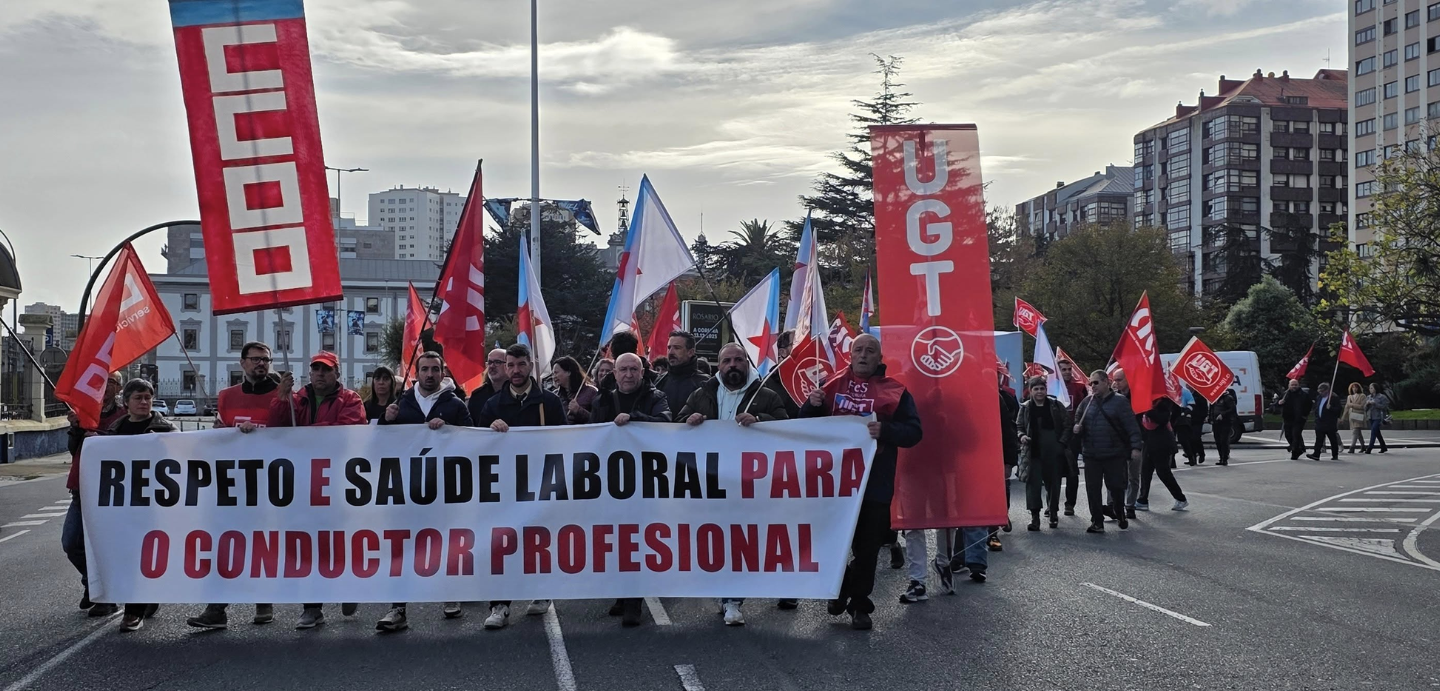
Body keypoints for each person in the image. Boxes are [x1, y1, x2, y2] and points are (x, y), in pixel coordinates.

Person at [800, 334, 921, 630]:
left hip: (874, 485)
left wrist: (887, 430)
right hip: (834, 485)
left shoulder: (895, 392)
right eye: (858, 350)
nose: (864, 355)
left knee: (867, 549)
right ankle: (841, 587)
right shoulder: (830, 386)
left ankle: (860, 604)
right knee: (834, 544)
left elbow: (914, 433)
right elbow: (802, 426)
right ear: (850, 355)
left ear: (880, 359)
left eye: (870, 351)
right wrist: (811, 405)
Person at [679, 342, 790, 626]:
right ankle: (724, 591)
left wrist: (760, 420)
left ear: (747, 363)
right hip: (710, 482)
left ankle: (733, 599)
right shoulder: (701, 394)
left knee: (739, 539)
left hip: (748, 484)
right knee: (715, 538)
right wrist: (688, 421)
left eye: (738, 360)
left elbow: (786, 427)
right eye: (726, 360)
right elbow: (676, 424)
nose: (732, 365)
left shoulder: (765, 395)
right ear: (718, 365)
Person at [186, 342, 283, 630]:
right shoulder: (226, 396)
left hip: (269, 484)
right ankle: (217, 609)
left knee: (261, 544)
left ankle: (263, 600)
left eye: (265, 359)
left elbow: (292, 435)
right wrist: (222, 435)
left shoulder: (282, 396)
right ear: (242, 363)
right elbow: (220, 433)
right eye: (255, 359)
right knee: (225, 544)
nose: (261, 364)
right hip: (230, 484)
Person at [375, 352, 474, 632]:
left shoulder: (455, 405)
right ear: (416, 372)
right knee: (402, 546)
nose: (430, 374)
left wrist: (450, 430)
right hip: (405, 488)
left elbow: (473, 439)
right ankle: (398, 608)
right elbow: (377, 443)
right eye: (425, 369)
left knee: (446, 541)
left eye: (435, 369)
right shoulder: (402, 403)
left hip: (443, 488)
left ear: (443, 373)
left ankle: (450, 595)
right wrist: (386, 420)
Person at [267, 351, 366, 629]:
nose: (320, 374)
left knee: (340, 541)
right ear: (309, 373)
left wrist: (308, 432)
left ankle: (348, 586)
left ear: (337, 374)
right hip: (304, 484)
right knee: (309, 544)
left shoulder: (350, 399)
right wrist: (280, 398)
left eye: (326, 369)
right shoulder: (296, 398)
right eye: (316, 369)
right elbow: (276, 428)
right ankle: (312, 607)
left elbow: (350, 430)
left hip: (340, 482)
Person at [477, 343, 567, 629]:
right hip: (503, 487)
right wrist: (490, 431)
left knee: (537, 540)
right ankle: (499, 604)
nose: (515, 371)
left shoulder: (549, 403)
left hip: (539, 485)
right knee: (501, 543)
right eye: (510, 365)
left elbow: (565, 441)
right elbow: (476, 444)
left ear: (531, 365)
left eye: (521, 365)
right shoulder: (492, 405)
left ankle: (541, 590)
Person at [589, 353, 673, 627]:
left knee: (636, 539)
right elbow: (590, 434)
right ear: (614, 373)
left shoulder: (656, 396)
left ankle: (633, 602)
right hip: (610, 481)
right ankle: (622, 594)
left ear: (642, 371)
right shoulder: (602, 400)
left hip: (645, 481)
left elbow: (665, 423)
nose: (628, 374)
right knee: (614, 539)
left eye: (633, 369)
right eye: (623, 369)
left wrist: (635, 418)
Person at [109, 378, 176, 632]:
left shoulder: (165, 428)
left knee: (146, 554)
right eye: (138, 398)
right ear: (126, 402)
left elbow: (183, 457)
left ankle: (133, 611)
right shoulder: (115, 429)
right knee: (127, 554)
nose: (144, 402)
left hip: (156, 505)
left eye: (148, 397)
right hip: (124, 504)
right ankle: (140, 598)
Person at [63, 372, 126, 618]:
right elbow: (73, 450)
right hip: (83, 487)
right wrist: (76, 429)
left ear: (118, 387)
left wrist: (104, 439)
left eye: (109, 381)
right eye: (99, 381)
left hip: (114, 492)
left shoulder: (124, 414)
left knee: (106, 546)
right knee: (71, 543)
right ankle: (92, 583)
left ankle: (107, 597)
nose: (103, 386)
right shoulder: (84, 412)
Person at [1073, 370, 1140, 534]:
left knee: (1116, 487)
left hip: (1114, 454)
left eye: (1096, 382)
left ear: (1106, 382)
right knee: (1093, 489)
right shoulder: (1087, 402)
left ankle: (1119, 512)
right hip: (1091, 455)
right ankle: (1097, 521)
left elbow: (1131, 426)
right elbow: (1077, 420)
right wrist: (1076, 429)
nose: (1092, 386)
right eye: (1091, 383)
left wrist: (1136, 448)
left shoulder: (1120, 402)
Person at [1017, 377, 1071, 530]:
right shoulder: (1026, 407)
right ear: (1031, 391)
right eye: (1036, 389)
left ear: (1046, 390)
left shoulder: (1056, 405)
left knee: (1053, 483)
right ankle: (1035, 517)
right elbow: (1019, 426)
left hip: (1054, 452)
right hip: (1033, 452)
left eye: (1042, 389)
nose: (1039, 392)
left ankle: (1053, 513)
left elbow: (1068, 425)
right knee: (1032, 485)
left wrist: (1062, 443)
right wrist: (1022, 436)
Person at [1135, 394, 1188, 512]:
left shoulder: (1165, 401)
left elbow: (1163, 418)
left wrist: (1146, 408)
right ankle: (1142, 500)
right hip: (1149, 441)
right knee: (1145, 471)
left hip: (1162, 442)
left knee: (1163, 472)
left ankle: (1181, 498)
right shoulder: (1146, 399)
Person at [991, 371, 1021, 549]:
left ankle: (1000, 518)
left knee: (1000, 491)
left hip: (998, 454)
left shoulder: (1004, 399)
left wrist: (1009, 461)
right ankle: (990, 531)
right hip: (975, 457)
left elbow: (1009, 432)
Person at [655, 330, 711, 419]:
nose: (671, 352)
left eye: (677, 348)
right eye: (669, 348)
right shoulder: (659, 380)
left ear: (690, 352)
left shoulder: (705, 382)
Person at [1056, 359, 1087, 514]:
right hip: (1055, 436)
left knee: (1072, 471)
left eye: (1069, 369)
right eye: (1064, 369)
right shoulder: (1050, 386)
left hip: (1073, 437)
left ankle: (1070, 504)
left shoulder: (1079, 388)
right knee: (1053, 471)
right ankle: (1051, 504)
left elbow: (1084, 410)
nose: (1067, 372)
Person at [761, 330, 800, 418]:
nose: (803, 346)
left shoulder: (815, 378)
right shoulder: (767, 383)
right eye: (797, 342)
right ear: (782, 352)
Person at [551, 356, 599, 425]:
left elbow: (598, 419)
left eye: (556, 372)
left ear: (568, 372)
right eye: (553, 374)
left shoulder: (591, 392)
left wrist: (578, 410)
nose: (554, 376)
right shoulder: (554, 396)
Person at [466, 348, 510, 424]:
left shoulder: (517, 394)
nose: (492, 366)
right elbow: (470, 427)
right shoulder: (477, 396)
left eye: (497, 362)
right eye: (490, 362)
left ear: (508, 365)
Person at [1278, 379, 1312, 460]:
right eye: (1292, 385)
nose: (1294, 386)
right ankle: (1298, 448)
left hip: (1298, 419)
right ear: (1289, 386)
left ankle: (1294, 452)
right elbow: (1277, 404)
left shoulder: (1303, 395)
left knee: (1295, 435)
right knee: (1288, 435)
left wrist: (1304, 415)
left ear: (1298, 385)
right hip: (1287, 418)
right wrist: (1279, 403)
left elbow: (1309, 405)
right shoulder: (1285, 394)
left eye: (1295, 385)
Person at [1306, 382, 1342, 461]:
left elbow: (1338, 410)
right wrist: (1316, 417)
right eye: (1319, 391)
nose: (1321, 393)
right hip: (1320, 422)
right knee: (1319, 439)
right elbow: (1317, 407)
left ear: (1327, 390)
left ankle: (1335, 454)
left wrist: (1331, 408)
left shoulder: (1333, 398)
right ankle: (1316, 454)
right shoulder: (1319, 397)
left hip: (1330, 422)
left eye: (1322, 391)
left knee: (1332, 439)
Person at [1209, 388, 1237, 465]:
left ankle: (1225, 458)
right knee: (1217, 441)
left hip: (1225, 422)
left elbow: (1232, 409)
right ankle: (1221, 457)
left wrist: (1223, 415)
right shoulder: (1213, 399)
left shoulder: (1228, 398)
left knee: (1223, 440)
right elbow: (1212, 409)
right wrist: (1210, 418)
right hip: (1216, 422)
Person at [1183, 385, 1209, 466]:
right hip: (1188, 420)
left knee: (1196, 438)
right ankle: (1193, 458)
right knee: (1189, 439)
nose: (1187, 386)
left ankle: (1201, 454)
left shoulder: (1200, 396)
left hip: (1197, 420)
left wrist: (1202, 417)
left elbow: (1204, 408)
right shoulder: (1186, 395)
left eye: (1189, 385)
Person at [1364, 383, 1391, 454]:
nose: (1370, 389)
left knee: (1373, 431)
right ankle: (1383, 447)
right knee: (1377, 432)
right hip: (1370, 416)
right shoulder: (1368, 397)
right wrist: (1367, 404)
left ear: (1375, 388)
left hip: (1378, 416)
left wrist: (1375, 403)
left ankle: (1370, 448)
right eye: (1370, 388)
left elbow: (1384, 407)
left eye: (1372, 388)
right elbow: (1365, 409)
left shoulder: (1381, 397)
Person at [1345, 382, 1368, 454]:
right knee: (1358, 432)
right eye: (1353, 387)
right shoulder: (1349, 396)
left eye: (1356, 387)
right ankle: (1363, 446)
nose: (1354, 389)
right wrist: (1343, 417)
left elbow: (1362, 406)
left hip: (1359, 415)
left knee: (1355, 431)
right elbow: (1346, 407)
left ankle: (1352, 447)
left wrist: (1351, 404)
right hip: (1352, 416)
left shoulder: (1362, 396)